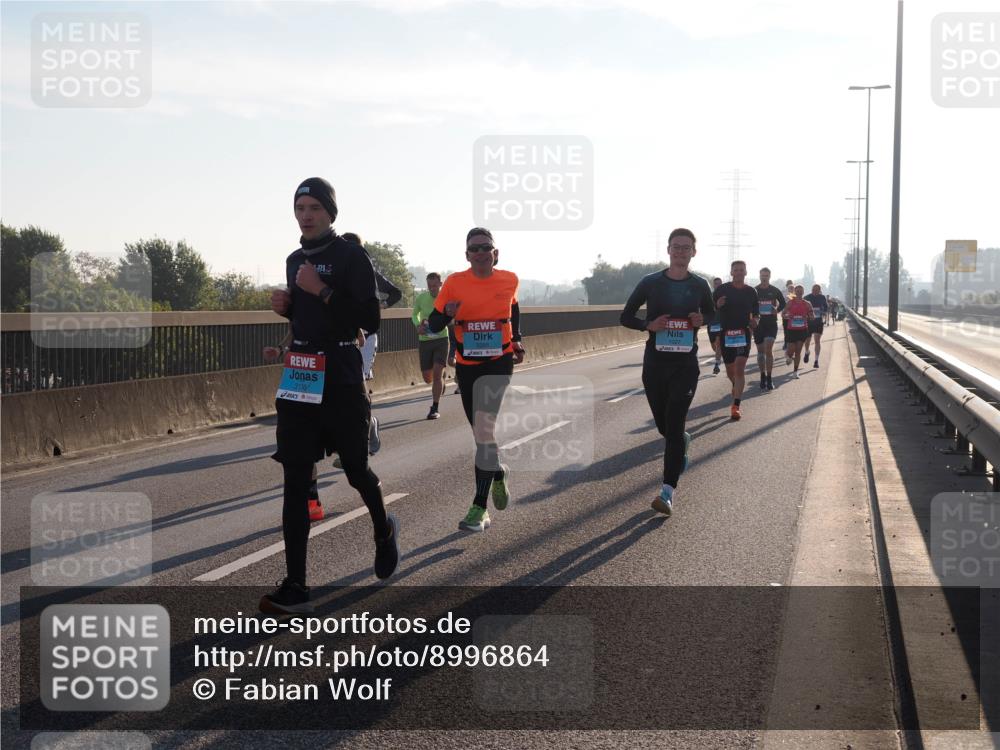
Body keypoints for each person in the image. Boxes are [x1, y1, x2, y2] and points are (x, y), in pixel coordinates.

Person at [263, 177, 399, 614]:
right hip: (301, 378)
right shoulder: (294, 260)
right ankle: (297, 584)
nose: (306, 215)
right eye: (300, 207)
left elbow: (369, 319)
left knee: (357, 470)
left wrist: (318, 290)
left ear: (330, 213)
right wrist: (289, 308)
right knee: (295, 479)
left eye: (315, 208)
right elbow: (306, 317)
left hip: (340, 377)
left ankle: (383, 528)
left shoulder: (350, 255)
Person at [427, 228, 524, 532]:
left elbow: (514, 308)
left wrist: (517, 339)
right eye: (474, 249)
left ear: (496, 253)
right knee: (480, 433)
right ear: (467, 255)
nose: (481, 253)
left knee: (484, 429)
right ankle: (497, 473)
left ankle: (479, 507)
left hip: (499, 361)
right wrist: (447, 313)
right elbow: (432, 323)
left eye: (486, 248)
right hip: (468, 366)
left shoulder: (509, 279)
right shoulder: (455, 283)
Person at [620, 228, 714, 517]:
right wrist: (647, 325)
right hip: (655, 366)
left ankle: (667, 492)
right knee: (665, 428)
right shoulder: (651, 283)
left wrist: (703, 318)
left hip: (685, 366)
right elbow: (625, 316)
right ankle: (681, 440)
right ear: (668, 250)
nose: (681, 252)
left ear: (694, 252)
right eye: (677, 247)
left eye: (686, 248)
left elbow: (713, 315)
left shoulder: (700, 285)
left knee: (673, 427)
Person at [713, 260, 759, 421]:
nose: (739, 272)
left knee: (740, 368)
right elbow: (710, 309)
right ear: (731, 272)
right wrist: (717, 305)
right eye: (736, 270)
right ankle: (735, 384)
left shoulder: (751, 291)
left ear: (746, 272)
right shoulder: (722, 290)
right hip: (726, 334)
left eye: (742, 270)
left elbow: (756, 312)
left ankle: (736, 406)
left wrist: (756, 321)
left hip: (743, 334)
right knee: (730, 371)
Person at [412, 272, 450, 419]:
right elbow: (415, 314)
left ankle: (434, 408)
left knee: (436, 374)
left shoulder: (445, 298)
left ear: (441, 284)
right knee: (428, 378)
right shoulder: (422, 298)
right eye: (429, 286)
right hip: (425, 340)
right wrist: (417, 325)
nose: (432, 288)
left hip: (441, 339)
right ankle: (441, 379)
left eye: (435, 285)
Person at [754, 267, 786, 391]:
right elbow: (749, 305)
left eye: (766, 275)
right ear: (759, 276)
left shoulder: (775, 290)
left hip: (771, 324)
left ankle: (769, 377)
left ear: (769, 276)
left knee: (768, 349)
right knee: (761, 353)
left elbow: (783, 303)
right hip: (759, 325)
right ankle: (762, 375)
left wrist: (776, 310)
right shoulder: (754, 290)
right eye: (762, 275)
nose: (764, 277)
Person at [782, 285, 813, 378]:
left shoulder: (807, 303)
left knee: (798, 351)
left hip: (802, 330)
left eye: (801, 291)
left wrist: (807, 316)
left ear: (803, 292)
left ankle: (795, 372)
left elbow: (812, 316)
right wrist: (788, 316)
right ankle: (788, 355)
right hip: (791, 330)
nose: (799, 292)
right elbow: (783, 314)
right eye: (797, 291)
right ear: (795, 292)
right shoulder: (790, 303)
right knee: (791, 350)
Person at [802, 284, 829, 368]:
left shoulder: (822, 297)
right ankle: (807, 352)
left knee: (817, 341)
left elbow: (826, 307)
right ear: (811, 289)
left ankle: (816, 360)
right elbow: (802, 308)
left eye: (817, 290)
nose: (815, 291)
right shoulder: (807, 297)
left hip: (818, 322)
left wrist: (823, 311)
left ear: (819, 290)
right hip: (809, 322)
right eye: (813, 289)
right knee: (807, 340)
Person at [707, 277, 724, 374]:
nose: (718, 285)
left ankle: (717, 364)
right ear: (714, 285)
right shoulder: (710, 296)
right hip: (711, 323)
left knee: (718, 343)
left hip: (721, 323)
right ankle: (719, 355)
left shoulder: (725, 296)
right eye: (716, 283)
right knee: (714, 345)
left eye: (719, 283)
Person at [782, 279, 796, 357]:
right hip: (786, 316)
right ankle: (786, 343)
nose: (790, 288)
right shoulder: (784, 294)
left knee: (791, 332)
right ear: (787, 287)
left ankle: (790, 345)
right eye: (789, 286)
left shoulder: (796, 294)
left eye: (792, 287)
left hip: (794, 317)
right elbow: (782, 303)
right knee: (786, 330)